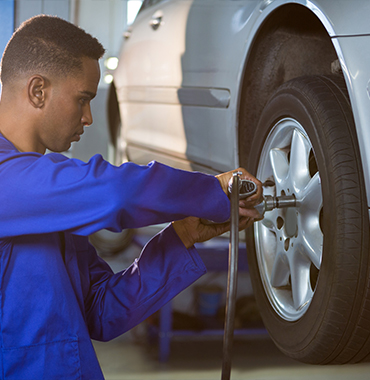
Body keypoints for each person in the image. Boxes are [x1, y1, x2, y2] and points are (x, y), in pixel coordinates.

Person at [0, 15, 262, 379]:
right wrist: (210, 191)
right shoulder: (10, 181)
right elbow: (118, 193)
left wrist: (180, 237)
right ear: (38, 91)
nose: (89, 117)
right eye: (83, 99)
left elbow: (103, 311)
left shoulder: (49, 197)